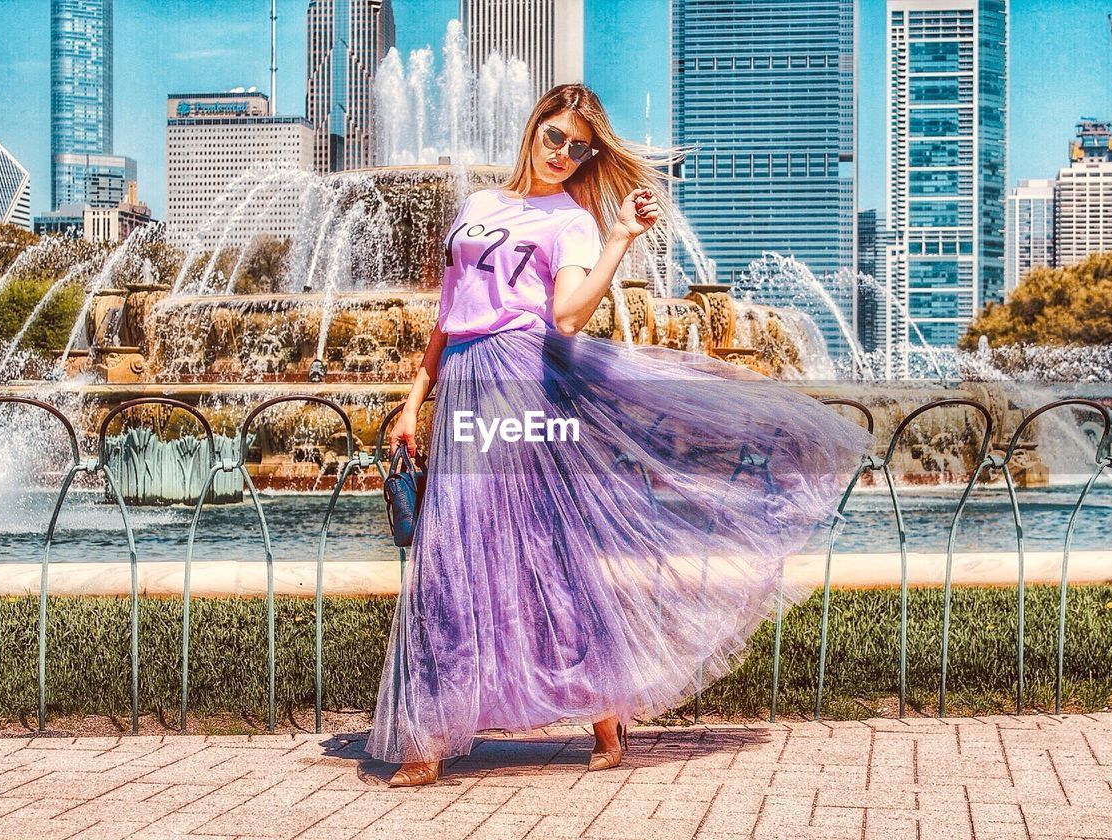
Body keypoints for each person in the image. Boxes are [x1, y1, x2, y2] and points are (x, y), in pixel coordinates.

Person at [368, 83, 874, 787]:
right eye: (555, 137)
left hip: (520, 379)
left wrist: (617, 240)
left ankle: (481, 729)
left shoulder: (573, 221)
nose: (564, 154)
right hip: (460, 378)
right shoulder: (477, 207)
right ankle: (465, 722)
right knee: (461, 551)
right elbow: (449, 314)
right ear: (534, 126)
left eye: (580, 148)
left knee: (514, 545)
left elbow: (568, 316)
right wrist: (413, 398)